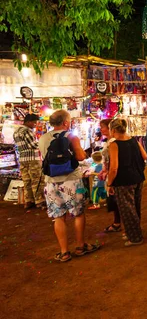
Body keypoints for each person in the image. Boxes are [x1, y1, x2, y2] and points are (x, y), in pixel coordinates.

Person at [39, 110, 100, 262]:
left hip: (51, 182)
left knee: (58, 217)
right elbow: (80, 156)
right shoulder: (71, 136)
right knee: (78, 213)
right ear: (65, 122)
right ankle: (80, 246)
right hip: (71, 180)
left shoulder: (43, 138)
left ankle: (64, 251)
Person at [106, 119, 147, 246]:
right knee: (135, 207)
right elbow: (145, 156)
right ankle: (134, 232)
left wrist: (109, 183)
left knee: (127, 209)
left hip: (123, 180)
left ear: (113, 130)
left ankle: (135, 237)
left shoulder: (114, 145)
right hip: (137, 177)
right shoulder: (134, 141)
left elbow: (114, 167)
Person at [13, 113, 44, 209]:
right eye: (34, 123)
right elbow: (33, 145)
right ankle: (39, 201)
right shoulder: (27, 131)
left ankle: (28, 201)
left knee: (27, 181)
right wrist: (43, 144)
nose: (35, 125)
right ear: (29, 122)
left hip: (22, 159)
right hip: (32, 159)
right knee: (37, 180)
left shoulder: (16, 131)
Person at [97, 119, 121, 233]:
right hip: (110, 172)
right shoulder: (108, 142)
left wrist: (107, 171)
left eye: (103, 127)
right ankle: (117, 222)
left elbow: (112, 161)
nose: (101, 129)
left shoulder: (113, 142)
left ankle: (118, 223)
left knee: (116, 199)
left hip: (113, 173)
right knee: (114, 199)